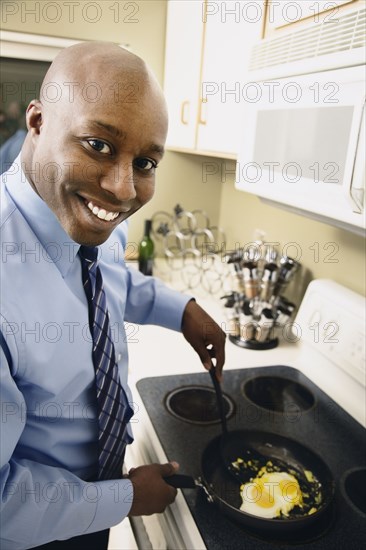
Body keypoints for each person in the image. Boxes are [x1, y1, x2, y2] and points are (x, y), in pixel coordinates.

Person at [0, 42, 226, 549]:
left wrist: (184, 310)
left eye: (145, 162)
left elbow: (109, 284)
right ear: (36, 122)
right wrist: (122, 498)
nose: (124, 190)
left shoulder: (90, 222)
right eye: (98, 145)